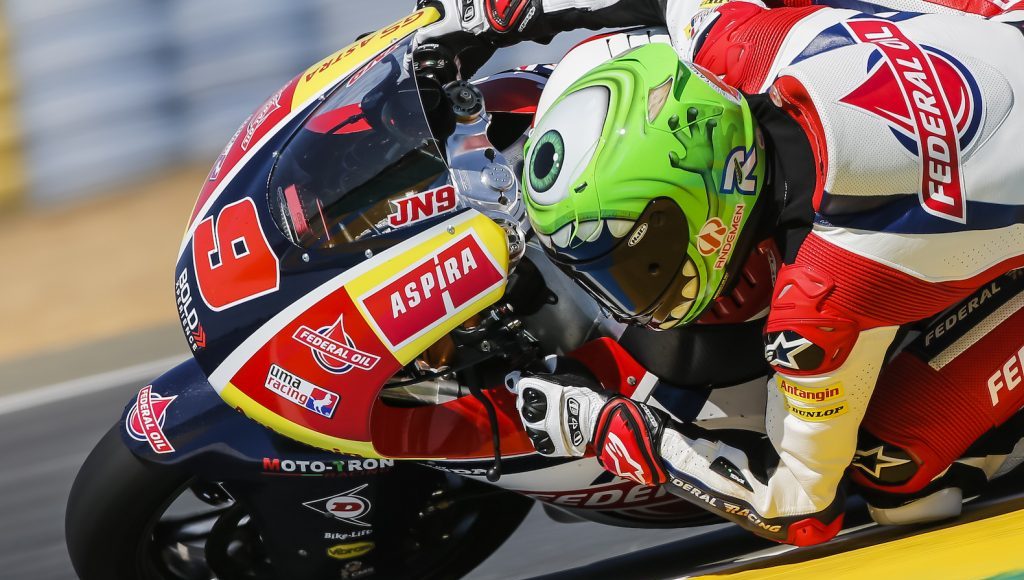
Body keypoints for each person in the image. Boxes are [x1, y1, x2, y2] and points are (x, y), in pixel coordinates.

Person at [418, 0, 1024, 545]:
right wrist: (490, 15)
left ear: (709, 212)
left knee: (893, 469)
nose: (629, 289)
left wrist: (606, 428)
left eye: (639, 261)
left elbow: (799, 507)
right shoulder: (734, 40)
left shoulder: (821, 297)